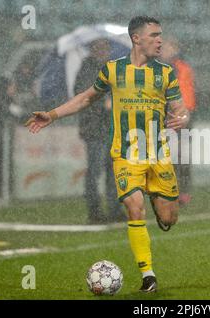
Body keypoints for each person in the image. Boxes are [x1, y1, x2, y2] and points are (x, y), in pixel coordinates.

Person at [25, 16, 190, 293]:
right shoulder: (113, 70)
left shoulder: (165, 73)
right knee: (133, 208)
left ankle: (154, 196)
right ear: (136, 39)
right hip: (126, 155)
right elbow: (86, 97)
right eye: (154, 35)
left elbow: (180, 107)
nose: (160, 40)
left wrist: (182, 117)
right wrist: (52, 115)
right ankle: (148, 275)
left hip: (158, 155)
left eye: (160, 35)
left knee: (168, 218)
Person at [75, 39, 126, 224]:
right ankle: (95, 211)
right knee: (96, 171)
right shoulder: (88, 69)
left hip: (108, 128)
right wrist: (104, 102)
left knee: (111, 171)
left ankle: (113, 209)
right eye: (102, 49)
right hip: (95, 128)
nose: (105, 53)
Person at [160, 37, 196, 206]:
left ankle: (184, 191)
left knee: (182, 156)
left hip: (181, 116)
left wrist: (182, 113)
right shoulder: (158, 68)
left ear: (175, 49)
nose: (164, 50)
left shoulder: (181, 68)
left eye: (167, 47)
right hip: (166, 116)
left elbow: (186, 94)